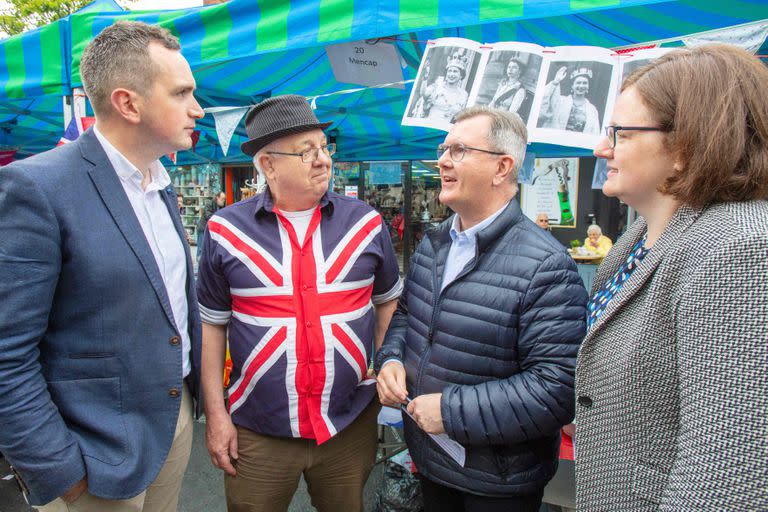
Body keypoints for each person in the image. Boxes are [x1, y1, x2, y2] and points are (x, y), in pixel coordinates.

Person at [0, 21, 203, 511]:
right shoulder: (36, 188)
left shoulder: (160, 183)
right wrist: (62, 475)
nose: (198, 109)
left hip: (172, 426)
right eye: (182, 93)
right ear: (128, 103)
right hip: (92, 457)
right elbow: (6, 355)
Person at [576, 44, 768, 510]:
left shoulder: (737, 248)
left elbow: (727, 472)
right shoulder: (640, 237)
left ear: (683, 147)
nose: (602, 148)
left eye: (620, 133)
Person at [375, 106, 587, 512]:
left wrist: (450, 412)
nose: (442, 160)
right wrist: (389, 360)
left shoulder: (547, 265)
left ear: (502, 167)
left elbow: (557, 389)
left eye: (459, 150)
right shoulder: (434, 244)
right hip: (432, 460)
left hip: (498, 485)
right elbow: (406, 317)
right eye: (443, 148)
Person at [197, 95, 402, 512]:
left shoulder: (365, 223)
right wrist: (216, 416)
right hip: (258, 429)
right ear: (268, 165)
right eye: (306, 151)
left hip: (348, 424)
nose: (322, 159)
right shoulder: (224, 231)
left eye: (324, 147)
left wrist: (385, 365)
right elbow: (212, 326)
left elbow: (388, 305)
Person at [539, 66, 600, 134]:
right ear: (572, 86)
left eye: (585, 83)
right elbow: (542, 107)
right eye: (578, 83)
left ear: (588, 86)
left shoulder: (592, 110)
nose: (581, 86)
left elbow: (595, 133)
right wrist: (555, 82)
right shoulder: (560, 101)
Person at [421, 53, 470, 122]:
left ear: (461, 76)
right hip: (430, 124)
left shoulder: (463, 94)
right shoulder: (437, 86)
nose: (451, 74)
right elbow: (424, 93)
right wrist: (425, 77)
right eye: (449, 71)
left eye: (455, 71)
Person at [196, 190, 225, 257]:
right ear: (217, 198)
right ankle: (199, 265)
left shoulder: (221, 206)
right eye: (222, 199)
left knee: (208, 249)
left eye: (224, 199)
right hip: (203, 229)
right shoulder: (209, 203)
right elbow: (208, 215)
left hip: (210, 231)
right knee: (201, 248)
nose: (223, 201)